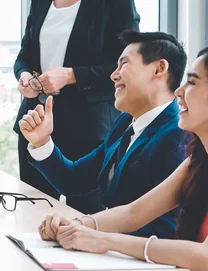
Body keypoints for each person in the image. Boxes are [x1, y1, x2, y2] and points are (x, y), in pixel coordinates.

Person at [37, 47, 208, 271]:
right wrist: (74, 226)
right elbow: (134, 213)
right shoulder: (197, 159)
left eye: (193, 83)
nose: (179, 91)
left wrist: (107, 240)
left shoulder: (172, 137)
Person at [19, 30, 188, 238]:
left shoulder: (178, 135)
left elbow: (166, 231)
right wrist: (42, 142)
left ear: (159, 69)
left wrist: (85, 230)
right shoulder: (125, 124)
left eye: (123, 64)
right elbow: (74, 180)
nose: (113, 74)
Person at [13, 0, 140, 202]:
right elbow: (23, 56)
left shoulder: (115, 3)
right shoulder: (40, 2)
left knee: (84, 213)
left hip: (87, 126)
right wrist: (24, 75)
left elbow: (126, 64)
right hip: (37, 120)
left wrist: (72, 75)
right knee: (33, 208)